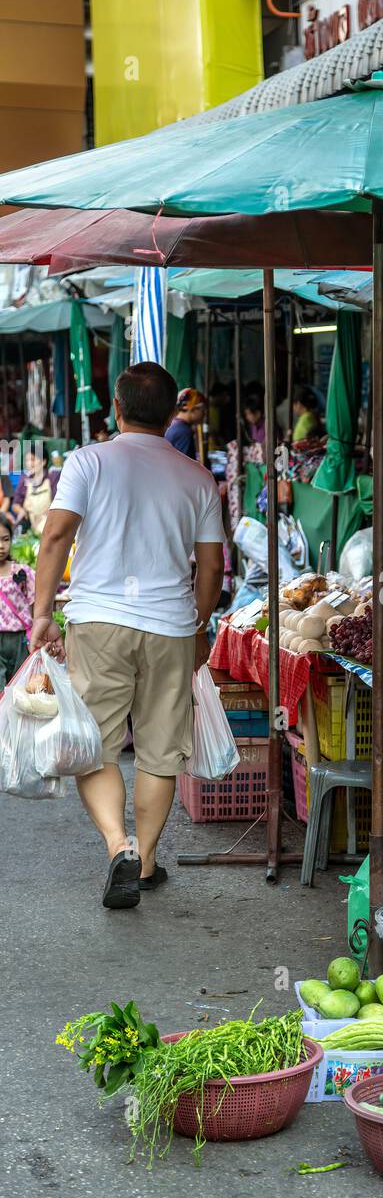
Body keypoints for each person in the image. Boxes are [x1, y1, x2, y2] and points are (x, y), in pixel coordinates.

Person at [31, 362, 226, 911]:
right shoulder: (197, 476)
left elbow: (55, 538)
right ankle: (143, 861)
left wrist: (42, 613)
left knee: (96, 745)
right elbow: (210, 569)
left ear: (115, 409)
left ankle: (118, 844)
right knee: (161, 751)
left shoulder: (88, 461)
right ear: (172, 415)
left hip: (97, 622)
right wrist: (200, 625)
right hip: (169, 626)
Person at [0, 512, 34, 689]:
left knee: (20, 685)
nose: (1, 546)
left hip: (20, 639)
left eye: (5, 539)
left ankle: (13, 717)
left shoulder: (22, 572)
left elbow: (35, 600)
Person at [12, 450, 58, 536]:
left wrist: (44, 517)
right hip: (30, 523)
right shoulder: (24, 480)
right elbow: (15, 504)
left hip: (49, 522)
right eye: (27, 460)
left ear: (43, 461)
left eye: (33, 460)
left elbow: (57, 503)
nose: (29, 464)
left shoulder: (52, 478)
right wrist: (22, 512)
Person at [165, 387, 206, 459]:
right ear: (193, 409)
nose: (204, 413)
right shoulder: (184, 431)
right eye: (203, 410)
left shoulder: (173, 424)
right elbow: (185, 465)